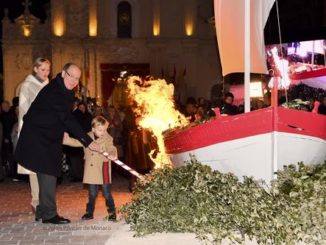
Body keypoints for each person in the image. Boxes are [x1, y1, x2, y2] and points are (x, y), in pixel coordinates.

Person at [14, 63, 101, 224]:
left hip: (44, 136)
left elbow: (58, 116)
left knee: (45, 171)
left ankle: (42, 211)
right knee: (49, 172)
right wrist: (87, 141)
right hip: (39, 137)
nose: (74, 81)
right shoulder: (57, 91)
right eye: (71, 76)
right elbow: (67, 119)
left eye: (77, 78)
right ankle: (49, 214)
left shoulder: (61, 88)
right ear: (63, 73)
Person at [63, 116, 118, 221]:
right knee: (92, 193)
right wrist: (66, 140)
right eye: (100, 130)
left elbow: (111, 148)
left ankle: (112, 212)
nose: (103, 132)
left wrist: (112, 153)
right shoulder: (86, 137)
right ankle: (89, 212)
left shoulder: (108, 138)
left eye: (105, 129)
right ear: (93, 129)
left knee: (106, 193)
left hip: (103, 168)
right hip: (92, 169)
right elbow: (76, 142)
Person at [16, 57, 51, 212]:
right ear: (35, 69)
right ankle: (36, 201)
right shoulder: (27, 86)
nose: (45, 72)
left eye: (48, 69)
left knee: (46, 166)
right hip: (33, 131)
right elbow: (24, 110)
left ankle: (46, 200)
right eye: (42, 69)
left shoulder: (49, 86)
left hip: (47, 132)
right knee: (33, 167)